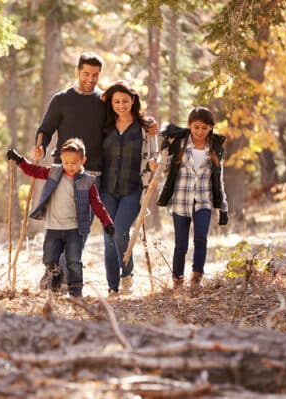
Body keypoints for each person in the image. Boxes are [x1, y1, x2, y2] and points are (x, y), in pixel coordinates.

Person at [33, 52, 158, 288]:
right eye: (86, 74)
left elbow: (126, 117)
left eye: (95, 75)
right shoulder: (61, 99)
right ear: (78, 72)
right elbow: (46, 129)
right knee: (61, 224)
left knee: (81, 228)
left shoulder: (103, 101)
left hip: (94, 176)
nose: (90, 79)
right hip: (64, 171)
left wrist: (149, 124)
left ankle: (61, 275)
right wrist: (39, 145)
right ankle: (54, 271)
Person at [7, 138, 115, 297]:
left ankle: (76, 293)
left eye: (74, 163)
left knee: (74, 262)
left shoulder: (87, 181)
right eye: (65, 162)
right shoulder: (55, 172)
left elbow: (97, 204)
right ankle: (56, 275)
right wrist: (19, 160)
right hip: (53, 227)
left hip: (74, 229)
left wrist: (107, 222)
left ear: (82, 160)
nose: (69, 167)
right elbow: (34, 171)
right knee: (49, 259)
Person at [156, 106, 229, 292]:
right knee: (181, 244)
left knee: (201, 239)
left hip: (203, 201)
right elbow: (163, 161)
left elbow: (219, 180)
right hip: (180, 201)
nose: (200, 132)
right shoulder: (179, 144)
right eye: (196, 127)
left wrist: (223, 207)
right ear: (189, 125)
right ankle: (178, 280)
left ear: (211, 128)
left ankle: (197, 278)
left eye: (204, 128)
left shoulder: (214, 149)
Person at [99, 81, 159, 296]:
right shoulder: (104, 126)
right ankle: (113, 286)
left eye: (125, 100)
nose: (121, 105)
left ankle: (127, 274)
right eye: (117, 101)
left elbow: (155, 153)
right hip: (106, 189)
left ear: (133, 100)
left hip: (133, 189)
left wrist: (154, 163)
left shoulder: (145, 127)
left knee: (120, 232)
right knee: (109, 237)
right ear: (111, 103)